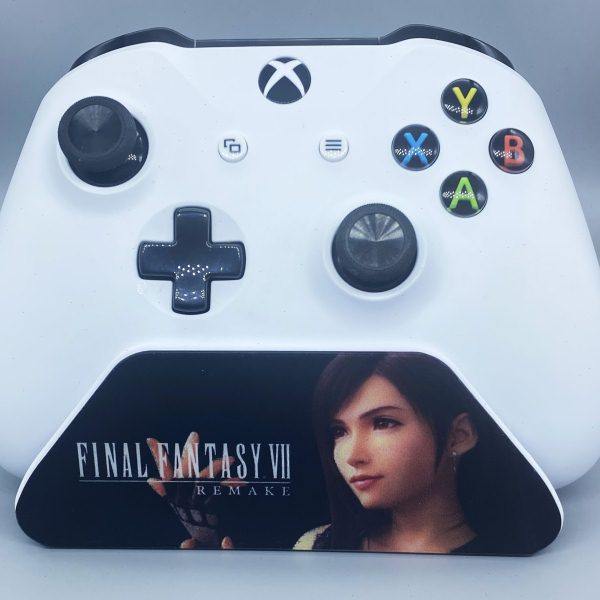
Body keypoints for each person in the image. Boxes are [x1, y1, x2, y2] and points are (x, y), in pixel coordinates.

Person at [294, 352, 552, 555]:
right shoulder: (316, 546)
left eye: (383, 423)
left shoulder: (514, 559)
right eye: (340, 431)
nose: (353, 456)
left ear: (459, 435)